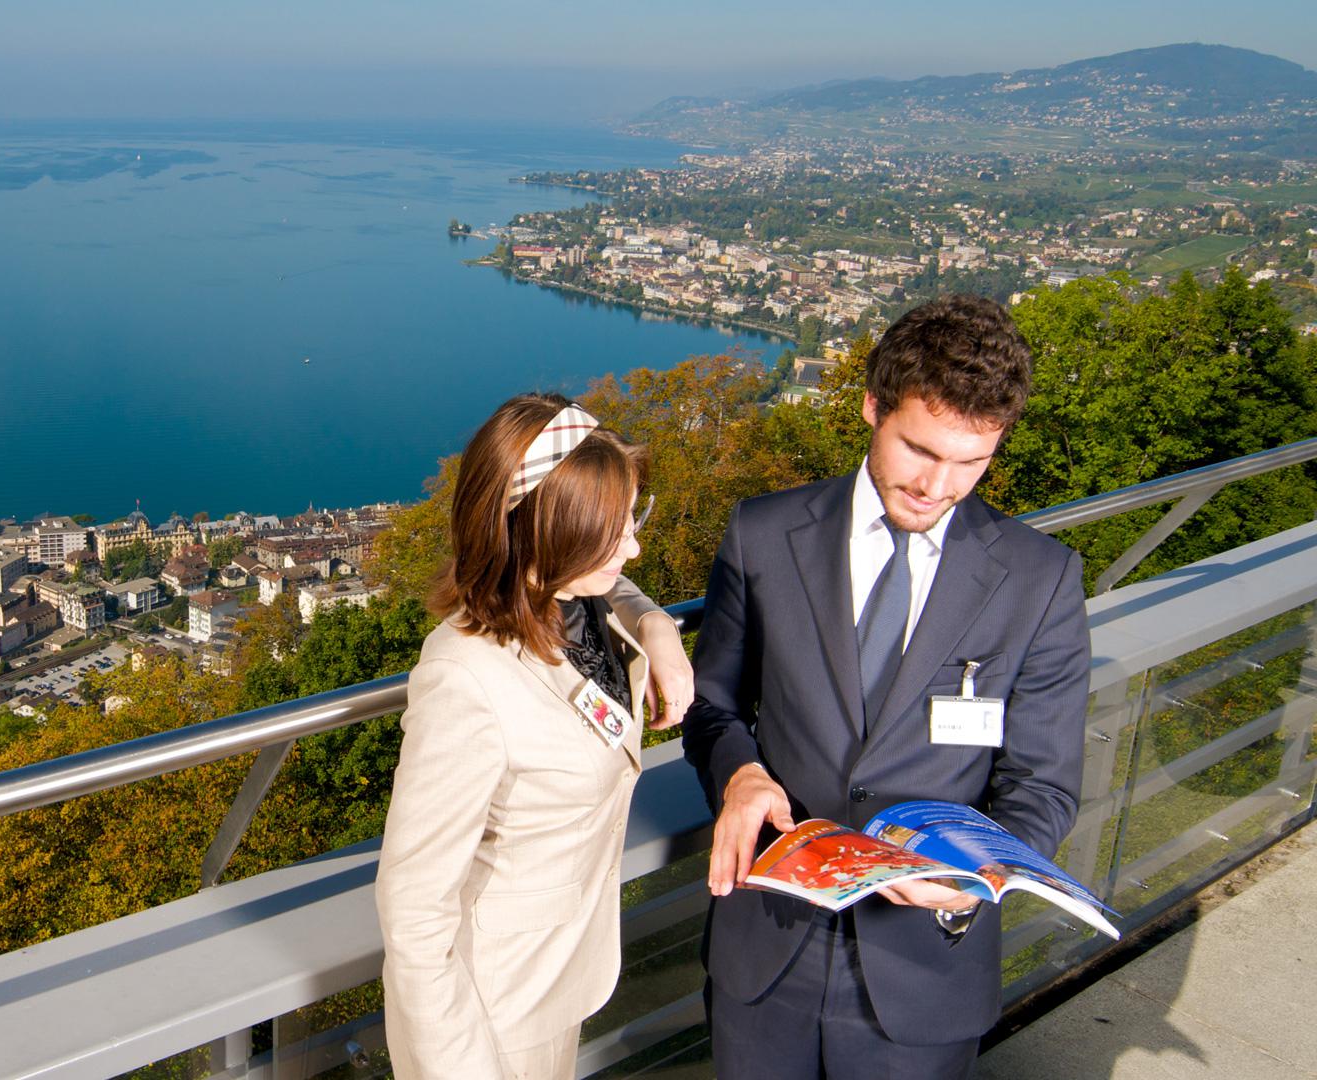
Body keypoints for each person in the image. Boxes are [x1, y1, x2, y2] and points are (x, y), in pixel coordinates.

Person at [682, 295, 1091, 1079]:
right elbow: (712, 704)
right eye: (919, 450)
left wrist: (974, 876)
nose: (938, 485)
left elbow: (1043, 787)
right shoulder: (762, 534)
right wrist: (739, 774)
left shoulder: (1040, 580)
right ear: (872, 405)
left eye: (971, 462)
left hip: (927, 969)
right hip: (764, 949)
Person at [377, 393, 693, 1079]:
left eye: (630, 521)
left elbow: (617, 589)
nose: (633, 547)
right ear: (542, 538)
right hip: (494, 1017)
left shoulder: (571, 602)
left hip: (558, 981)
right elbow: (414, 913)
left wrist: (656, 626)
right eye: (609, 535)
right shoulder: (465, 680)